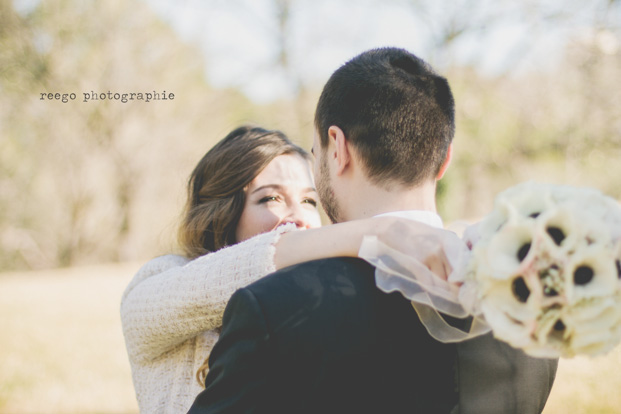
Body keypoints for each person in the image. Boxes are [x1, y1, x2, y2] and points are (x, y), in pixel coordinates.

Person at [187, 48, 558, 414]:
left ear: (338, 148)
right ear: (445, 160)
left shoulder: (269, 308)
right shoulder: (530, 311)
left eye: (315, 154)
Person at [120, 125, 455, 414]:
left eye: (310, 201)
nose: (299, 216)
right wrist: (380, 232)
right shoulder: (156, 285)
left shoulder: (310, 302)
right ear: (224, 211)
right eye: (270, 199)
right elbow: (221, 277)